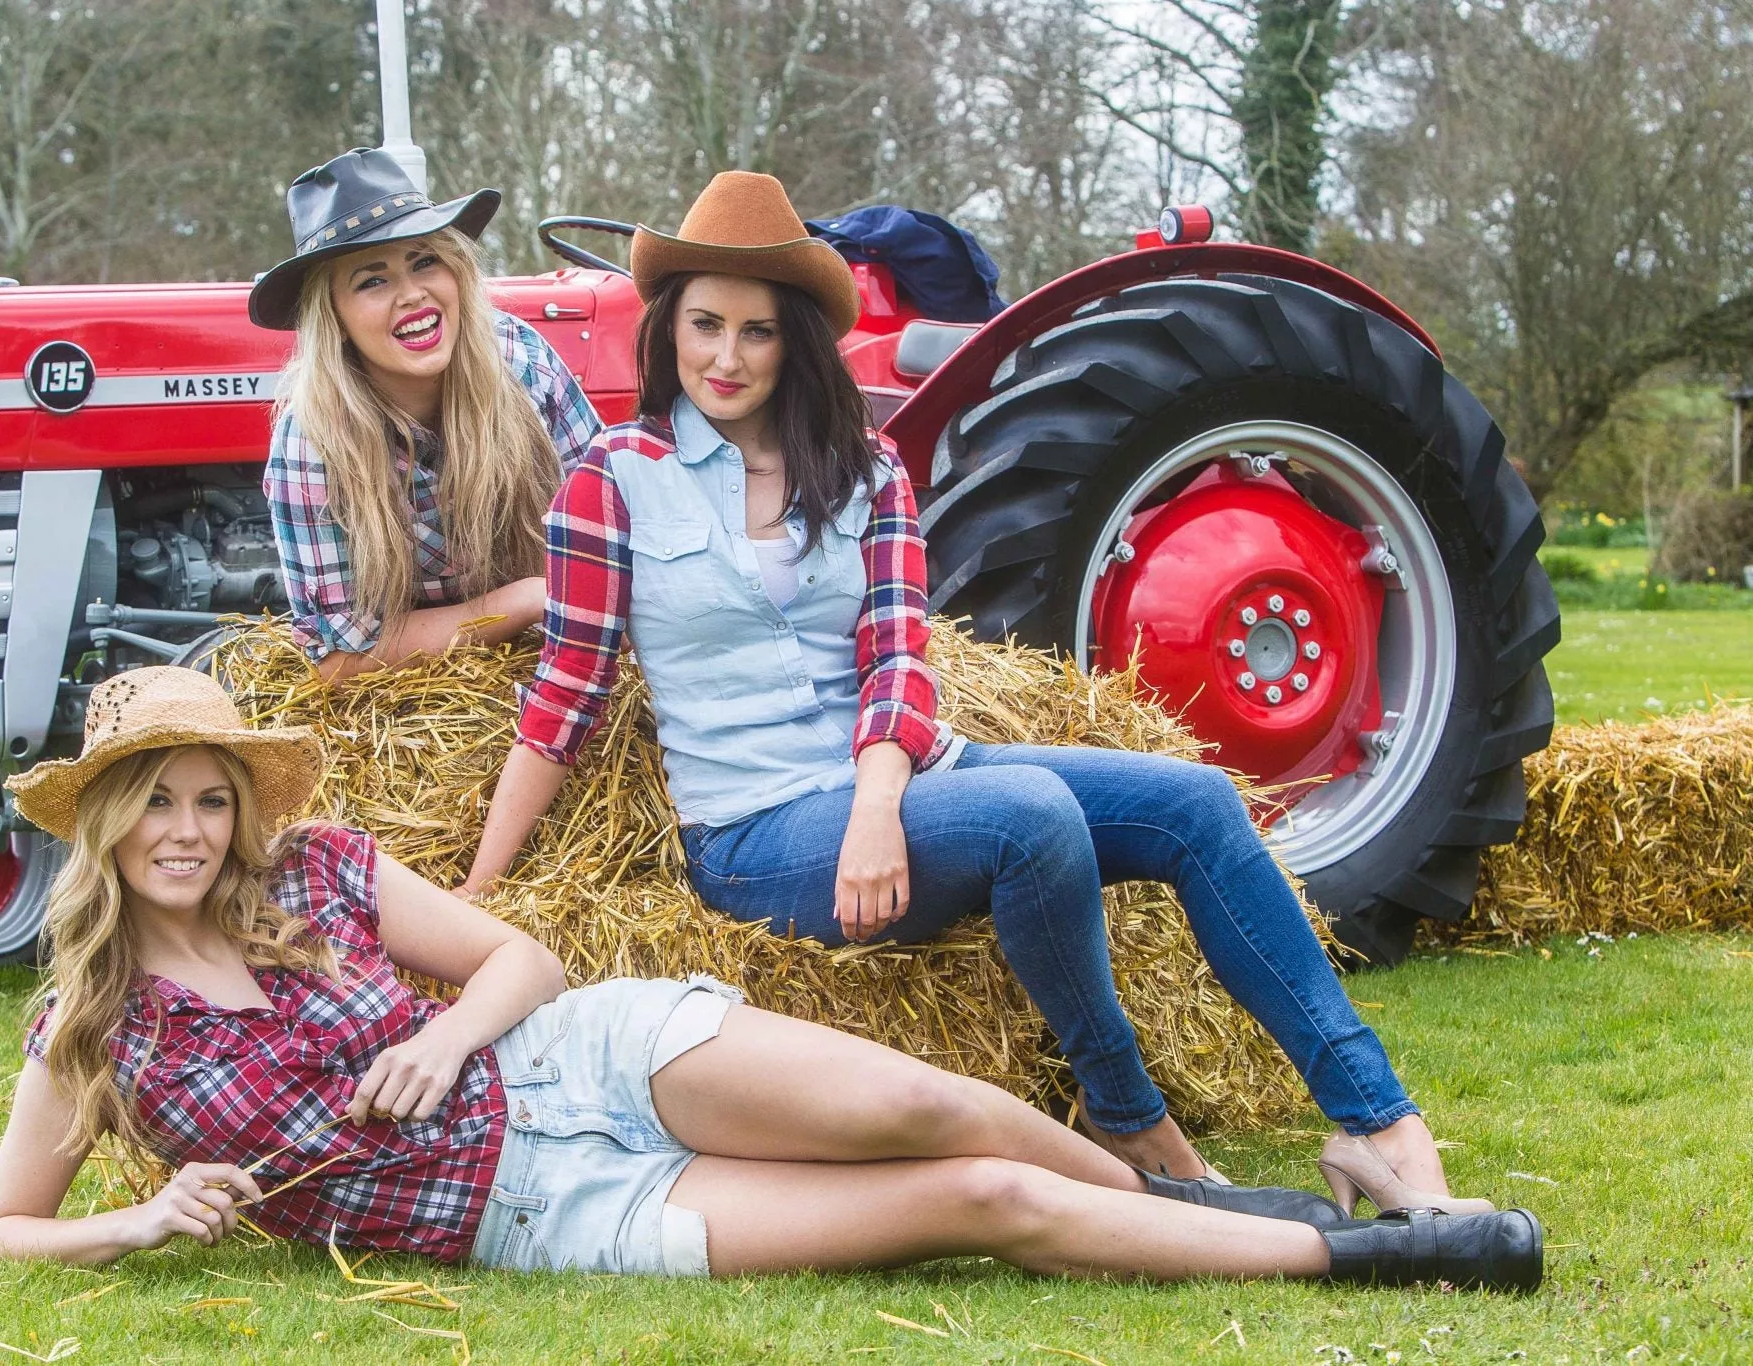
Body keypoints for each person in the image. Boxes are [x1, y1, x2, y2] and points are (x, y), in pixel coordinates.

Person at [463, 171, 1489, 1215]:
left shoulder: (861, 469)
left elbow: (896, 660)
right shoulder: (611, 482)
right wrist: (480, 896)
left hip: (900, 781)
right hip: (758, 826)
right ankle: (1125, 1113)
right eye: (704, 325)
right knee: (1028, 818)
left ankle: (1377, 1124)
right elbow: (565, 699)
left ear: (797, 342)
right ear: (666, 330)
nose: (725, 357)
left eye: (757, 332)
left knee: (1196, 802)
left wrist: (875, 806)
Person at [0, 665, 1540, 1292]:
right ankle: (1385, 1264)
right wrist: (139, 1215)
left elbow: (527, 950)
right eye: (152, 800)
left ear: (241, 800)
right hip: (541, 1214)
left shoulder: (320, 869)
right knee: (970, 1199)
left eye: (205, 792)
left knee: (941, 1103)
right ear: (102, 825)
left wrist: (450, 1033)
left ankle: (1201, 1208)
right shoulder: (91, 1029)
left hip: (577, 1059)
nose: (186, 827)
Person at [251, 147, 603, 683]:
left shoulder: (521, 361)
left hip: (556, 656)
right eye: (373, 281)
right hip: (411, 697)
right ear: (335, 317)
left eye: (424, 262)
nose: (412, 295)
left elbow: (612, 522)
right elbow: (338, 660)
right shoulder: (312, 442)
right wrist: (528, 601)